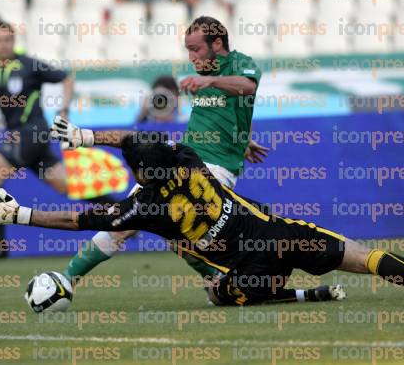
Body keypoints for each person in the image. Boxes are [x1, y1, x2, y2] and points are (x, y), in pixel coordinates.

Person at [0, 132, 404, 304]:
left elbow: (77, 220)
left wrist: (18, 213)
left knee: (218, 295)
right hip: (279, 234)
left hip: (247, 266)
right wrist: (98, 137)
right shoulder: (188, 159)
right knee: (361, 257)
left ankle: (298, 295)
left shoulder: (146, 209)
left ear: (140, 174)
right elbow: (142, 143)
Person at [60, 16, 269, 289]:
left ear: (217, 43)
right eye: (188, 50)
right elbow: (230, 111)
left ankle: (228, 279)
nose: (191, 57)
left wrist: (212, 83)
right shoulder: (203, 76)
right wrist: (245, 138)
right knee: (127, 221)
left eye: (196, 49)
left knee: (177, 235)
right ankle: (65, 279)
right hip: (183, 159)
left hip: (215, 169)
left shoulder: (239, 64)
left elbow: (247, 88)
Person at [0, 22, 79, 258]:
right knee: (67, 186)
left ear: (14, 41)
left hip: (32, 131)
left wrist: (64, 109)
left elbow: (67, 79)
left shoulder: (29, 64)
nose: (4, 44)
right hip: (20, 138)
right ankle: (120, 213)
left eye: (8, 39)